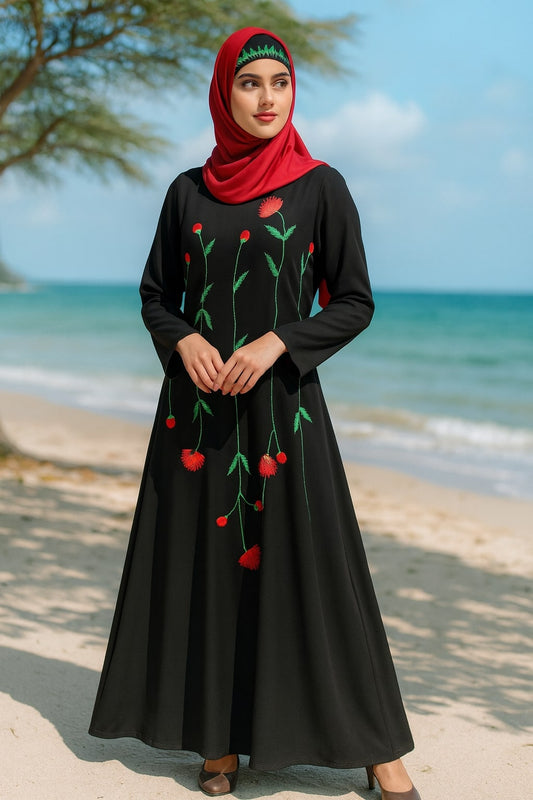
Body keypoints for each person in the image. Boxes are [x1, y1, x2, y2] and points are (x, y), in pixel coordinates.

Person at [89, 27, 421, 800]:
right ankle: (216, 743)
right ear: (223, 93)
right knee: (205, 573)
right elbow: (153, 296)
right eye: (250, 84)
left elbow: (354, 302)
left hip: (284, 418)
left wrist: (281, 339)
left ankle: (377, 750)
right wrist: (183, 342)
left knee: (317, 575)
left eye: (279, 82)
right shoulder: (187, 192)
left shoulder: (320, 186)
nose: (267, 98)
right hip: (196, 418)